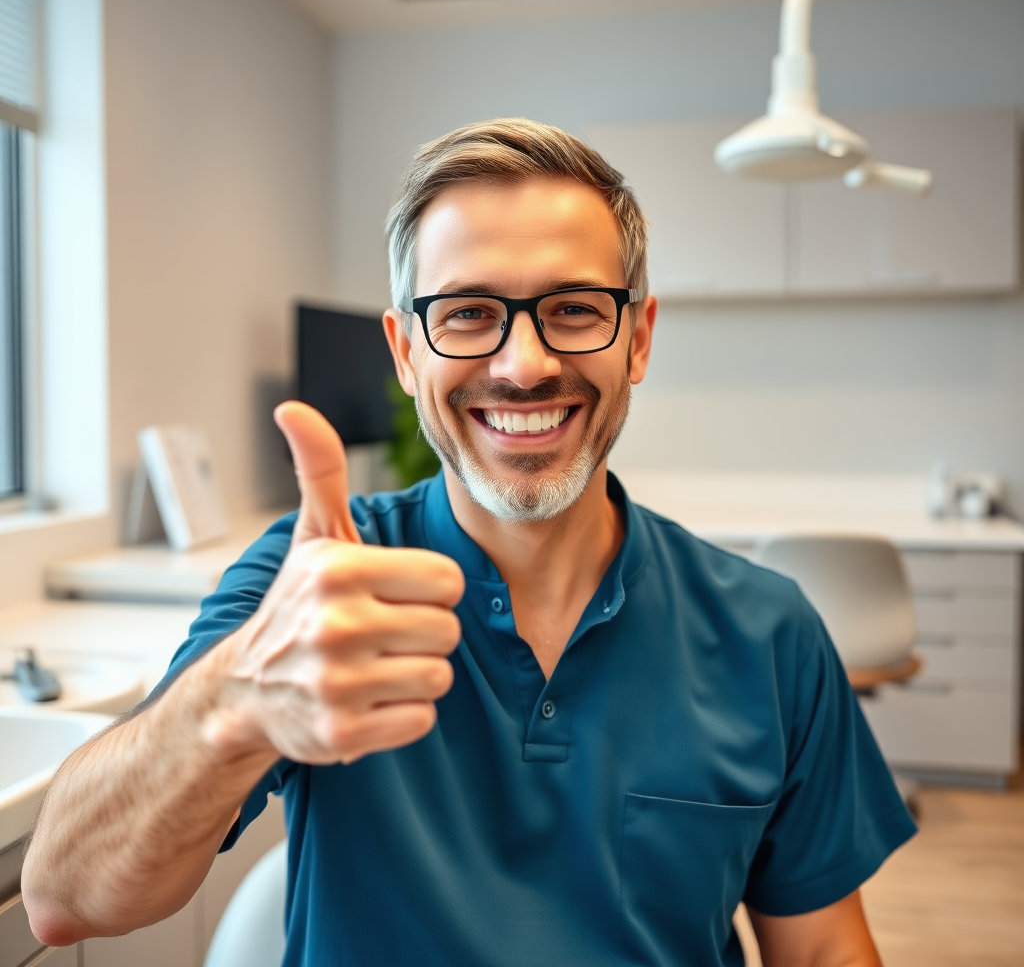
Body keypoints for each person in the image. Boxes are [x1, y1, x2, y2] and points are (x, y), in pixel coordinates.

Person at [23, 119, 915, 966]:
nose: (524, 364)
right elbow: (66, 899)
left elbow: (825, 946)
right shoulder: (314, 588)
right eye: (466, 313)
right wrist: (234, 699)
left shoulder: (769, 634)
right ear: (406, 350)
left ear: (637, 339)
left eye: (572, 308)